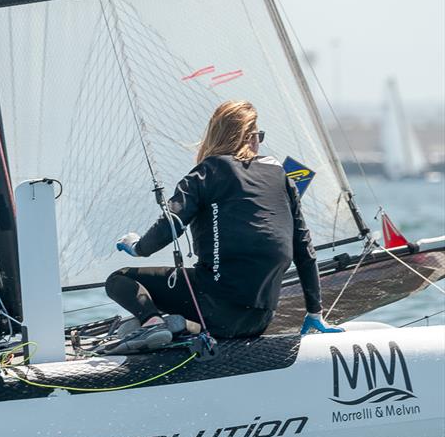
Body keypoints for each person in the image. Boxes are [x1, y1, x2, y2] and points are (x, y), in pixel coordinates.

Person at [105, 101, 343, 352]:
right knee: (211, 302)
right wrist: (315, 313)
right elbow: (304, 249)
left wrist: (138, 247)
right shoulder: (281, 175)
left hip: (215, 309)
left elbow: (172, 224)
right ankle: (181, 326)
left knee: (118, 280)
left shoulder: (206, 172)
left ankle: (153, 323)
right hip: (259, 321)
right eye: (258, 136)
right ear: (250, 138)